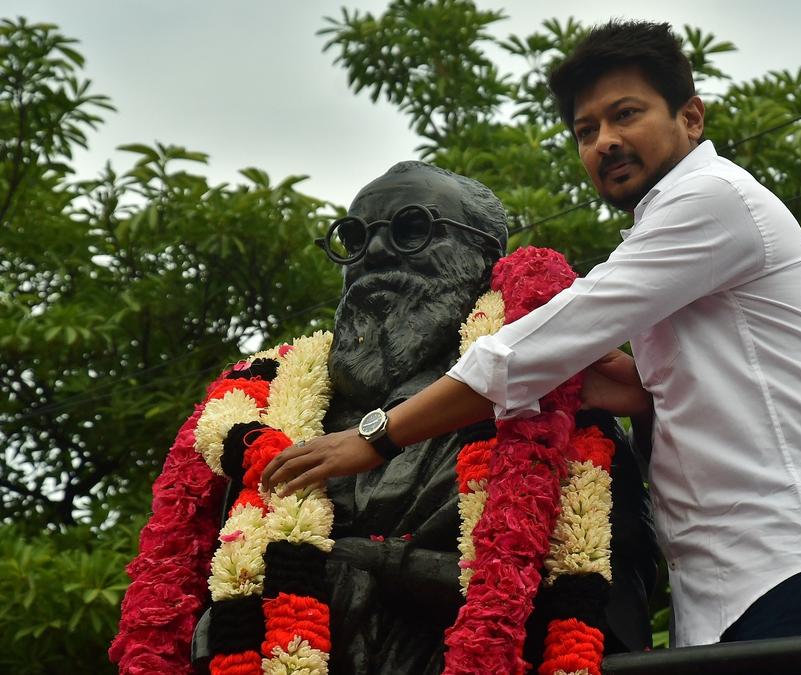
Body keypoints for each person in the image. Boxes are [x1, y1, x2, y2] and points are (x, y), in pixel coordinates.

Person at [263, 20, 801, 656]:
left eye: (626, 115)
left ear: (691, 118)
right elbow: (650, 381)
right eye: (585, 130)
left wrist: (377, 437)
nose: (606, 142)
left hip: (795, 562)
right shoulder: (668, 226)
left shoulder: (712, 200)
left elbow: (541, 346)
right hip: (729, 581)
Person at [193, 162, 658, 675]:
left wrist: (377, 566)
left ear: (484, 258)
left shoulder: (558, 408)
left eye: (412, 229)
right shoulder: (275, 412)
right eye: (354, 237)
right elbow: (213, 604)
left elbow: (599, 612)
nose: (373, 253)